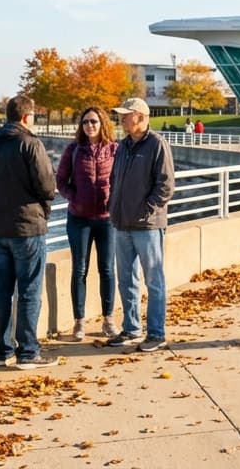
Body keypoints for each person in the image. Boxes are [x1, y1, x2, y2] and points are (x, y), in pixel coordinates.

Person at [0, 94, 58, 368]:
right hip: (28, 227)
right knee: (30, 289)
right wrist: (42, 206)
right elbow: (47, 186)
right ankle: (28, 351)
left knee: (3, 288)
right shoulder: (30, 144)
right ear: (26, 117)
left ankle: (2, 350)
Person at [107, 97, 175, 352]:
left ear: (141, 117)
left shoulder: (157, 144)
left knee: (154, 280)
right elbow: (115, 180)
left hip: (147, 226)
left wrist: (146, 210)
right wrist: (113, 207)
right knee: (126, 279)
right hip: (121, 224)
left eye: (126, 114)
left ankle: (156, 333)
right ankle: (132, 328)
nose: (121, 118)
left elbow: (166, 185)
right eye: (121, 115)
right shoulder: (123, 146)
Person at [56, 107, 118, 341]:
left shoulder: (115, 149)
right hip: (79, 219)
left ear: (102, 123)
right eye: (85, 122)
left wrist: (114, 201)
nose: (89, 126)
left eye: (93, 121)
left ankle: (108, 319)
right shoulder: (73, 150)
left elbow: (120, 179)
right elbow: (60, 180)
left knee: (107, 269)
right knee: (79, 269)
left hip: (106, 220)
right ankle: (79, 322)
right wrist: (73, 197)